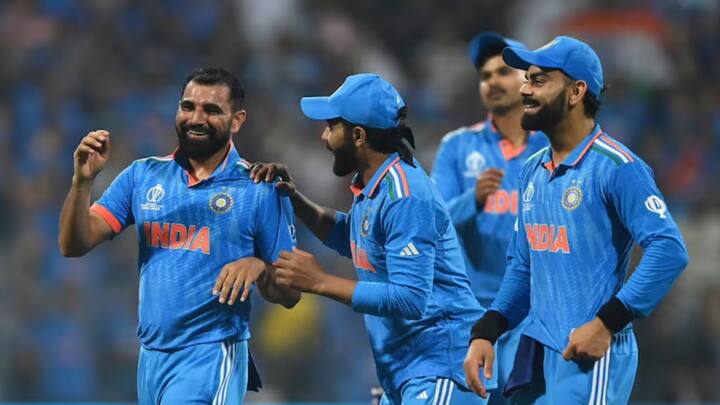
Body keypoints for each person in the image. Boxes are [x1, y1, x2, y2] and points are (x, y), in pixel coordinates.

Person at [463, 36, 689, 403]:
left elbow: (669, 249)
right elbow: (523, 268)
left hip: (590, 358)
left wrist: (606, 323)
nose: (525, 89)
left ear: (576, 92)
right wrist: (488, 330)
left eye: (539, 81)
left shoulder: (617, 167)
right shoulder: (532, 170)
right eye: (527, 80)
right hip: (537, 355)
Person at [58, 67, 300, 404]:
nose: (196, 118)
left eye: (211, 110)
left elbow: (290, 294)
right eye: (188, 107)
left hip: (210, 355)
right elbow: (74, 244)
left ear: (237, 120)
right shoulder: (142, 175)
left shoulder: (259, 188)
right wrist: (82, 182)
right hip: (151, 359)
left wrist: (259, 267)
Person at [250, 73, 495, 404]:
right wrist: (294, 200)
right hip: (410, 371)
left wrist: (320, 281)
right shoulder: (375, 185)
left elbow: (410, 298)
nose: (324, 136)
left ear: (358, 135)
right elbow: (353, 238)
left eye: (331, 126)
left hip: (442, 366)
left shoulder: (406, 196)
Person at [430, 32, 547, 404]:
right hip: (472, 312)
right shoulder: (457, 146)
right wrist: (473, 200)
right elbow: (431, 223)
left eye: (503, 72)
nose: (493, 81)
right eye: (485, 75)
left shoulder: (552, 146)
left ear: (528, 80)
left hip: (537, 312)